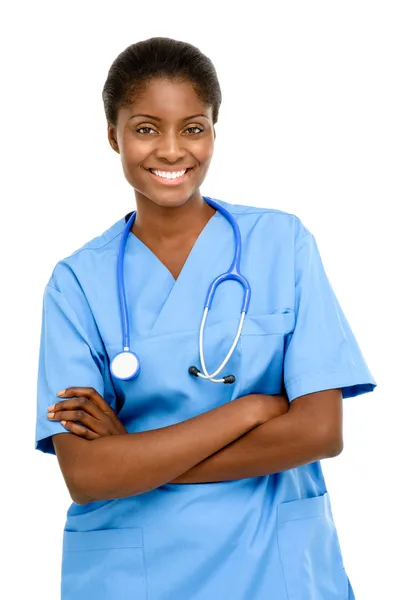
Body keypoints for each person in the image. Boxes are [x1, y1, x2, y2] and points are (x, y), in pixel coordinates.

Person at [35, 36, 376, 600]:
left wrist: (137, 457)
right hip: (134, 571)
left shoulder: (281, 242)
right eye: (146, 128)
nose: (172, 150)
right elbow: (88, 476)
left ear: (215, 129)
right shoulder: (76, 283)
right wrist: (248, 410)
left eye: (193, 127)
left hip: (272, 564)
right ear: (112, 134)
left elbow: (321, 431)